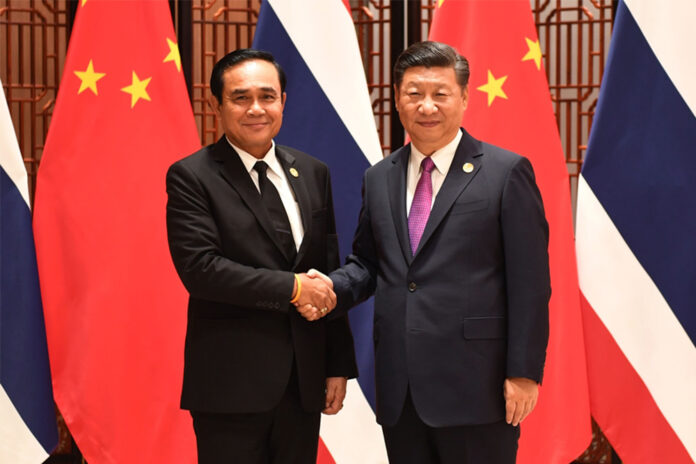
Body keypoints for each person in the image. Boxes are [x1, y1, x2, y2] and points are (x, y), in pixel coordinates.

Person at [311, 41, 550, 463]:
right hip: (401, 386)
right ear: (398, 100)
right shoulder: (378, 177)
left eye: (440, 93)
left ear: (463, 98)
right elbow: (369, 263)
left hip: (479, 385)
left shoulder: (506, 172)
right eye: (414, 93)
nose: (427, 106)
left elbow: (530, 284)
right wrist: (330, 286)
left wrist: (524, 372)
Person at [165, 48, 357, 464]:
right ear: (217, 105)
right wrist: (293, 288)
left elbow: (327, 267)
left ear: (283, 102)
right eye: (240, 98)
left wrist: (336, 364)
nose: (256, 109)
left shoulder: (312, 172)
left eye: (267, 97)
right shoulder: (191, 176)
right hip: (231, 384)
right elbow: (202, 270)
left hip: (302, 383)